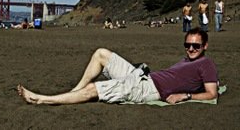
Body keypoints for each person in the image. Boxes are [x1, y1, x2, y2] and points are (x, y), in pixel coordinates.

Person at [17, 27, 218, 105]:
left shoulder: (206, 64)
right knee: (101, 53)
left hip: (147, 89)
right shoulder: (188, 60)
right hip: (142, 77)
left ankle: (41, 99)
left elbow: (212, 93)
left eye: (196, 45)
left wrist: (186, 96)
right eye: (187, 45)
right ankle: (74, 91)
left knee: (93, 90)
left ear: (205, 46)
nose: (191, 49)